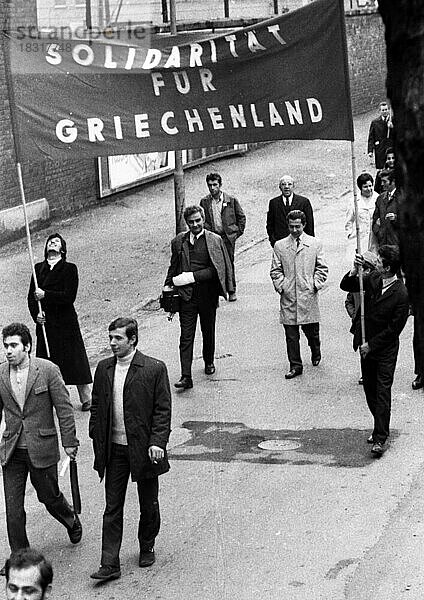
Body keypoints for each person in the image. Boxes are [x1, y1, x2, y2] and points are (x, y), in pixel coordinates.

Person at [89, 317, 171, 582]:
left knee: (148, 503)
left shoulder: (153, 368)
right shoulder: (103, 369)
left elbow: (162, 410)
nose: (112, 343)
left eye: (118, 338)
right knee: (112, 506)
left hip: (144, 449)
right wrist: (95, 432)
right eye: (110, 338)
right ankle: (109, 563)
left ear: (133, 339)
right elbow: (97, 405)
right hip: (115, 451)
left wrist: (157, 442)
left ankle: (146, 545)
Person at [0, 323, 81, 574]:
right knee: (13, 508)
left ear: (27, 346)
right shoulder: (1, 373)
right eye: (5, 346)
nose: (8, 351)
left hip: (41, 447)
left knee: (48, 496)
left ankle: (70, 518)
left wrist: (69, 442)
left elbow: (64, 408)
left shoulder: (47, 370)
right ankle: (19, 555)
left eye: (14, 346)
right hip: (12, 449)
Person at [340, 245, 409, 456]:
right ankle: (378, 424)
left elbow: (394, 329)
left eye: (379, 261)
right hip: (365, 345)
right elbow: (346, 285)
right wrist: (354, 270)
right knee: (369, 389)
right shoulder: (374, 279)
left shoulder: (401, 294)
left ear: (388, 267)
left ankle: (380, 437)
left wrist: (372, 344)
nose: (376, 263)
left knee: (382, 391)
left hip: (384, 349)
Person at [163, 205, 234, 389]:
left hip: (207, 296)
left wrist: (191, 277)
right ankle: (186, 375)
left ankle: (209, 361)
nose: (195, 224)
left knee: (208, 331)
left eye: (198, 220)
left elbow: (216, 270)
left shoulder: (214, 240)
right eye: (191, 222)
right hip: (186, 297)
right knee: (186, 336)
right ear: (186, 223)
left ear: (203, 220)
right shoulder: (179, 241)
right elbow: (173, 266)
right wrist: (168, 285)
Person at [27, 233, 92, 411]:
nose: (52, 244)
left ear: (62, 249)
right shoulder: (38, 269)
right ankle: (51, 402)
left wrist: (46, 294)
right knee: (47, 364)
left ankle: (86, 398)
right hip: (46, 324)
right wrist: (36, 316)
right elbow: (31, 299)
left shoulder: (69, 268)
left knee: (74, 360)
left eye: (56, 242)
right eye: (50, 242)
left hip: (65, 322)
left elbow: (69, 296)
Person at [270, 210, 328, 379]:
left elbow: (322, 268)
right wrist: (282, 286)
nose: (294, 230)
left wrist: (314, 285)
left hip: (307, 295)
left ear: (304, 225)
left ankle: (315, 349)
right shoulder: (280, 246)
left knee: (311, 332)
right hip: (288, 297)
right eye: (291, 226)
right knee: (291, 334)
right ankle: (295, 365)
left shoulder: (315, 243)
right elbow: (275, 270)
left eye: (298, 226)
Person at [200, 172, 246, 302]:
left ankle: (231, 290)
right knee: (213, 263)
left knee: (228, 263)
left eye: (215, 185)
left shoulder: (230, 200)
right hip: (213, 237)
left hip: (227, 237)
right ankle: (215, 292)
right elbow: (203, 219)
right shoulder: (205, 201)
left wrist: (236, 233)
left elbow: (241, 217)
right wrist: (207, 230)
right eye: (210, 185)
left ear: (220, 185)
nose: (213, 188)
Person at [344, 250, 378, 385]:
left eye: (367, 269)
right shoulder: (356, 283)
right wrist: (354, 316)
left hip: (373, 323)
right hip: (360, 323)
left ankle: (374, 373)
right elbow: (348, 302)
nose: (364, 272)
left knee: (373, 349)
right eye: (362, 268)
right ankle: (365, 374)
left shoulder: (375, 283)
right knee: (362, 348)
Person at [266, 175, 314, 247]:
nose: (286, 187)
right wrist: (273, 241)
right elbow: (270, 225)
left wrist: (309, 243)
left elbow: (309, 225)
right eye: (283, 184)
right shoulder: (274, 203)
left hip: (300, 243)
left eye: (289, 184)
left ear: (293, 186)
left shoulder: (304, 202)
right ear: (280, 187)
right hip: (281, 244)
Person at [345, 172, 379, 257]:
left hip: (374, 238)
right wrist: (349, 234)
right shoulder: (354, 201)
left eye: (370, 186)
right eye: (365, 187)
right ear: (360, 188)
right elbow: (349, 221)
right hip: (358, 238)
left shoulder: (378, 198)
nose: (369, 189)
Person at [372, 169, 400, 249]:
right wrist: (378, 231)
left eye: (384, 181)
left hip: (397, 244)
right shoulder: (380, 199)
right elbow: (375, 221)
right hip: (383, 245)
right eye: (381, 181)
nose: (381, 184)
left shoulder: (402, 198)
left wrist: (396, 218)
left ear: (393, 181)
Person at [367, 101, 394, 169]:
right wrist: (370, 150)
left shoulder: (393, 120)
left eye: (386, 109)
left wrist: (392, 127)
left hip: (391, 148)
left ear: (388, 110)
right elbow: (371, 137)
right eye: (383, 110)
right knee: (381, 169)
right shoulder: (375, 122)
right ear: (380, 111)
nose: (385, 111)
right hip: (380, 149)